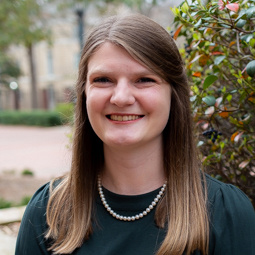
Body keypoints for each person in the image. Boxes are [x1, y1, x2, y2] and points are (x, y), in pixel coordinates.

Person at [15, 13, 255, 255]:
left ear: (173, 94)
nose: (120, 98)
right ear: (84, 93)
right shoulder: (47, 211)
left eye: (143, 79)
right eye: (103, 80)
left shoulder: (227, 213)